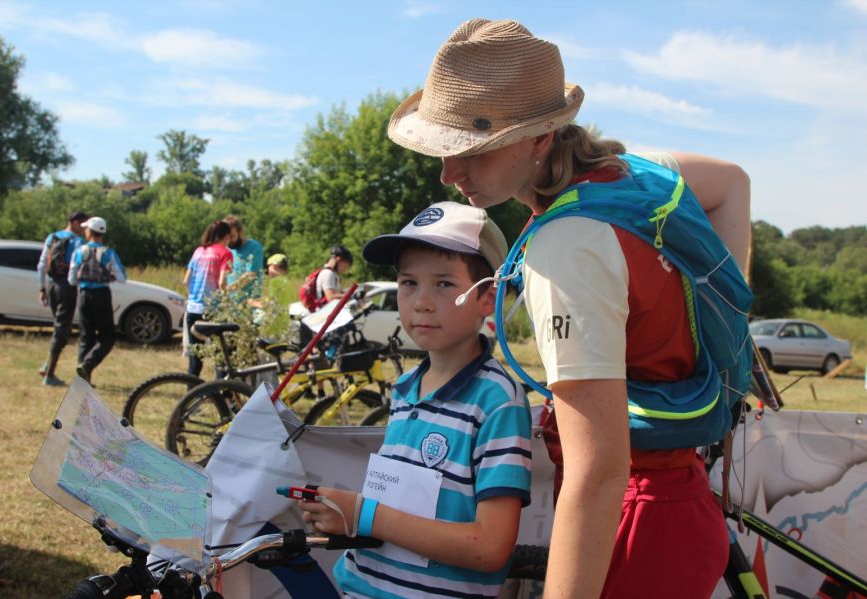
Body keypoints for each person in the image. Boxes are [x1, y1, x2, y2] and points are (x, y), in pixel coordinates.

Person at [386, 19, 752, 599]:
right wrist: (725, 333)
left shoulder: (565, 247)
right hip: (680, 504)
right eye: (445, 151)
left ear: (538, 138)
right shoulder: (634, 174)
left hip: (631, 528)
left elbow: (598, 470)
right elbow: (732, 183)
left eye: (473, 153)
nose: (449, 174)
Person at [299, 201, 532, 599]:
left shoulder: (498, 403)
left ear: (486, 298)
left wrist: (363, 514)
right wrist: (345, 515)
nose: (421, 301)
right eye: (409, 283)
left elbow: (490, 548)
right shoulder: (405, 387)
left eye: (443, 283)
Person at [67, 216, 127, 385]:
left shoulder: (79, 252)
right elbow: (122, 278)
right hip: (102, 295)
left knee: (86, 337)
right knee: (107, 338)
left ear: (89, 231)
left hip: (84, 295)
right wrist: (111, 275)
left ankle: (82, 379)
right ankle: (87, 364)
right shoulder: (109, 253)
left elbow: (71, 279)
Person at [36, 210, 88, 386]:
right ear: (74, 223)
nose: (84, 228)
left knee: (60, 327)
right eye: (83, 224)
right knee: (61, 330)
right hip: (67, 287)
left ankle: (47, 366)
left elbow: (42, 263)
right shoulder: (78, 242)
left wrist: (42, 287)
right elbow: (79, 268)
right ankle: (49, 375)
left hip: (52, 285)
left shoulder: (52, 237)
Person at [183, 219, 233, 376]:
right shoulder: (225, 253)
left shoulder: (198, 251)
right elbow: (222, 282)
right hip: (213, 310)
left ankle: (191, 393)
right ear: (226, 236)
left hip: (193, 309)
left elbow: (186, 281)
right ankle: (221, 392)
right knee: (221, 356)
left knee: (195, 357)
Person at [223, 214, 264, 300]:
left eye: (232, 236)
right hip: (230, 304)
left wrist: (227, 290)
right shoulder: (227, 249)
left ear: (240, 231)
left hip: (249, 303)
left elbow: (251, 275)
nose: (229, 240)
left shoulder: (254, 247)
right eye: (226, 237)